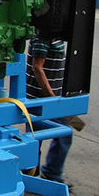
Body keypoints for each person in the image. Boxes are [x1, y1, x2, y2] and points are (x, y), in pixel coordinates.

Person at [26, 29, 75, 187]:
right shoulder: (43, 37)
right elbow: (37, 67)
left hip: (51, 99)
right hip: (42, 100)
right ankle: (40, 175)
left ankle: (42, 174)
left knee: (42, 137)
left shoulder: (56, 36)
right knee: (42, 138)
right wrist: (51, 97)